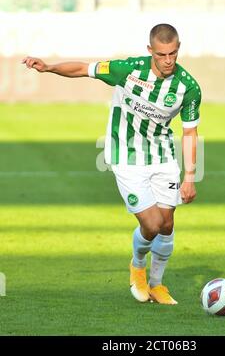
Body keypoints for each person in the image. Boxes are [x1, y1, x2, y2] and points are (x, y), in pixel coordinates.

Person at [22, 23, 202, 305]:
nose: (168, 61)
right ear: (150, 51)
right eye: (161, 55)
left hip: (162, 155)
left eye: (173, 54)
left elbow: (190, 132)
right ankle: (137, 265)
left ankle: (157, 285)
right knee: (152, 225)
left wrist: (189, 177)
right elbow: (85, 69)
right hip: (126, 155)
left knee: (167, 225)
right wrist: (48, 68)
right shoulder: (127, 70)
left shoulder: (187, 88)